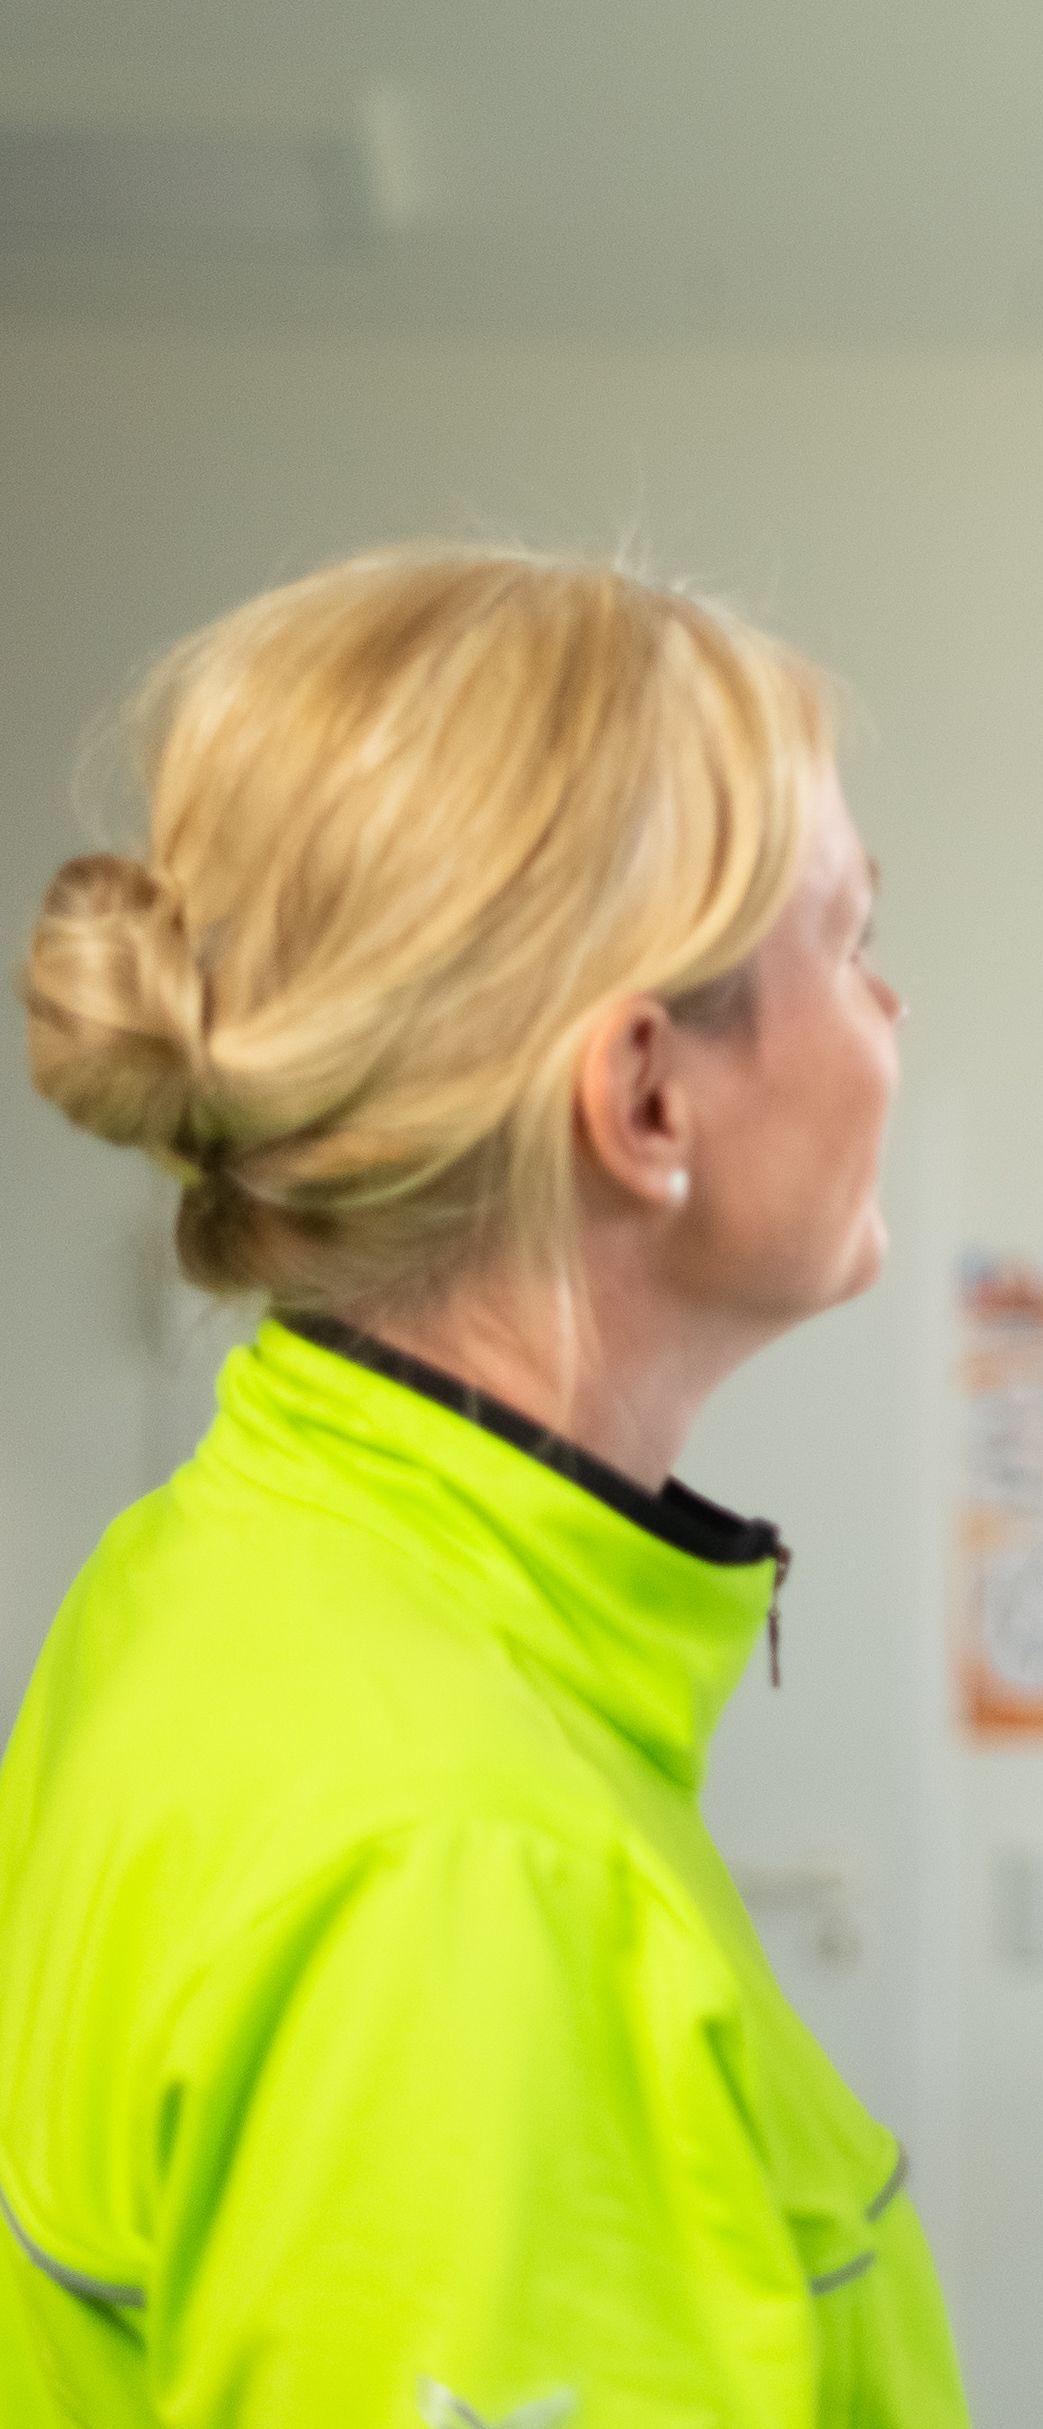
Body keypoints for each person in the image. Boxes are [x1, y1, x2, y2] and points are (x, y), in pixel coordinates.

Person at [1, 547, 966, 2425]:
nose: (891, 1016)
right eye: (847, 944)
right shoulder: (470, 1879)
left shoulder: (220, 1568)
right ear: (646, 1102)